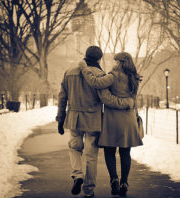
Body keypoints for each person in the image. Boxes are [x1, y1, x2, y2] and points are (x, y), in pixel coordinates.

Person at [56, 46, 134, 198]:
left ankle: (77, 175)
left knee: (74, 147)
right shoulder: (100, 74)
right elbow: (106, 98)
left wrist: (60, 119)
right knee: (91, 156)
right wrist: (127, 102)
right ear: (99, 59)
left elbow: (62, 97)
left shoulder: (69, 71)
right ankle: (88, 190)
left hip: (74, 117)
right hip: (93, 119)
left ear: (85, 55)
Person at [79, 52, 143, 197]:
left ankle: (114, 179)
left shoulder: (113, 76)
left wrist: (84, 68)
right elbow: (132, 98)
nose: (114, 63)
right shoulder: (134, 76)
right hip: (128, 119)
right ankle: (124, 182)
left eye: (115, 61)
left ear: (120, 62)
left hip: (112, 119)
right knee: (125, 152)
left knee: (109, 151)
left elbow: (95, 82)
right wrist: (128, 103)